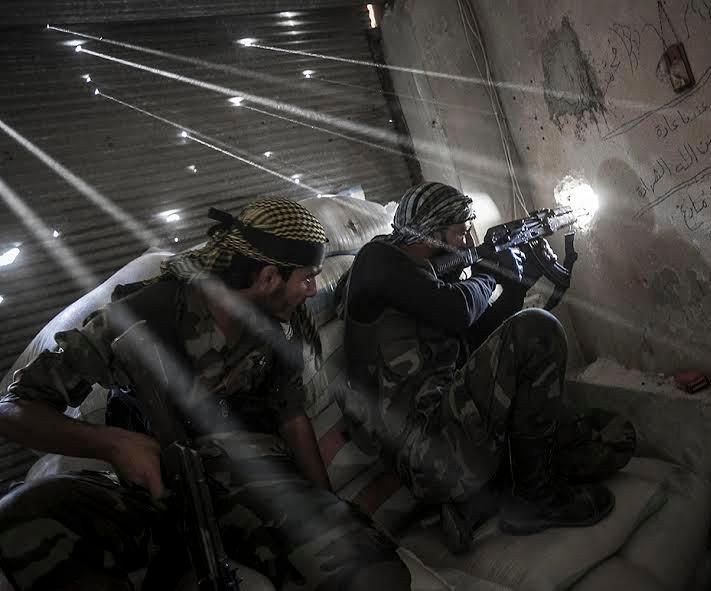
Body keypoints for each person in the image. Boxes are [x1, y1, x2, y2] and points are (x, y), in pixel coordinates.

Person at [0, 198, 411, 591]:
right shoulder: (143, 317)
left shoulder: (276, 325)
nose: (312, 289)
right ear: (268, 278)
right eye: (306, 278)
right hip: (155, 490)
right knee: (20, 515)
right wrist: (111, 444)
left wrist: (328, 504)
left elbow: (291, 416)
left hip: (253, 484)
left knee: (371, 572)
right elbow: (14, 407)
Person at [342, 182, 636, 553]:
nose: (469, 242)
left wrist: (515, 286)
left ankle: (493, 489)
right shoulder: (378, 261)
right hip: (427, 449)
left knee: (614, 436)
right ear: (430, 233)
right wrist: (491, 274)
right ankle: (532, 501)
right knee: (538, 329)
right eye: (461, 232)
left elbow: (477, 342)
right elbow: (456, 310)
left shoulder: (431, 282)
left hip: (459, 426)